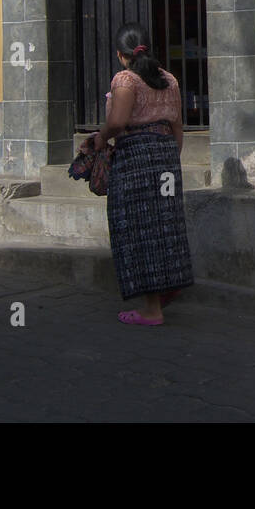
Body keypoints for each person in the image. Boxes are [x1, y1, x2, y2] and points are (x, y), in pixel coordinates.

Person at [94, 23, 194, 326]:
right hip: (165, 155)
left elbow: (117, 122)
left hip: (135, 157)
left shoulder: (125, 80)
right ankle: (167, 288)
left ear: (121, 55)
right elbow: (177, 126)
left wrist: (100, 138)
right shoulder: (169, 80)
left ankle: (151, 310)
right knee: (165, 226)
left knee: (137, 229)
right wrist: (170, 160)